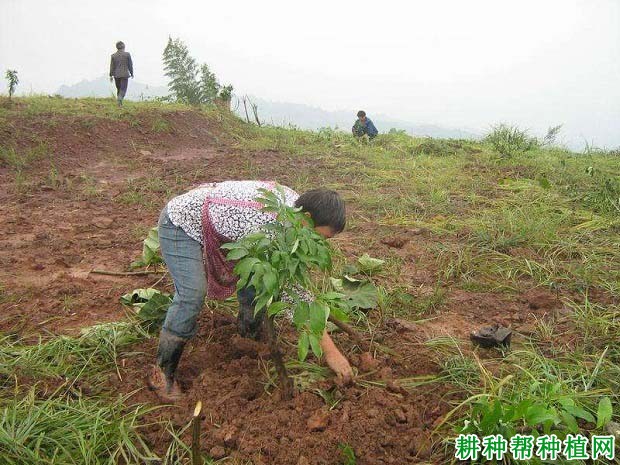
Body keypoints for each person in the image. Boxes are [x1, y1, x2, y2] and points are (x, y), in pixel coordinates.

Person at [148, 180, 354, 401]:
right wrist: (331, 352)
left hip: (226, 223)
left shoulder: (296, 211)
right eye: (322, 237)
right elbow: (296, 297)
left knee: (258, 275)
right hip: (181, 222)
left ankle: (249, 335)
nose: (320, 243)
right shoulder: (270, 226)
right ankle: (162, 372)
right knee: (192, 294)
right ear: (309, 218)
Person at [109, 41, 133, 106]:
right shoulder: (127, 54)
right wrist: (132, 73)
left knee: (119, 89)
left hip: (116, 75)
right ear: (124, 47)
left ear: (117, 47)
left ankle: (120, 104)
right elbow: (130, 65)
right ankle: (119, 100)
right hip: (125, 75)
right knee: (123, 89)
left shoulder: (113, 56)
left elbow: (112, 66)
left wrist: (111, 75)